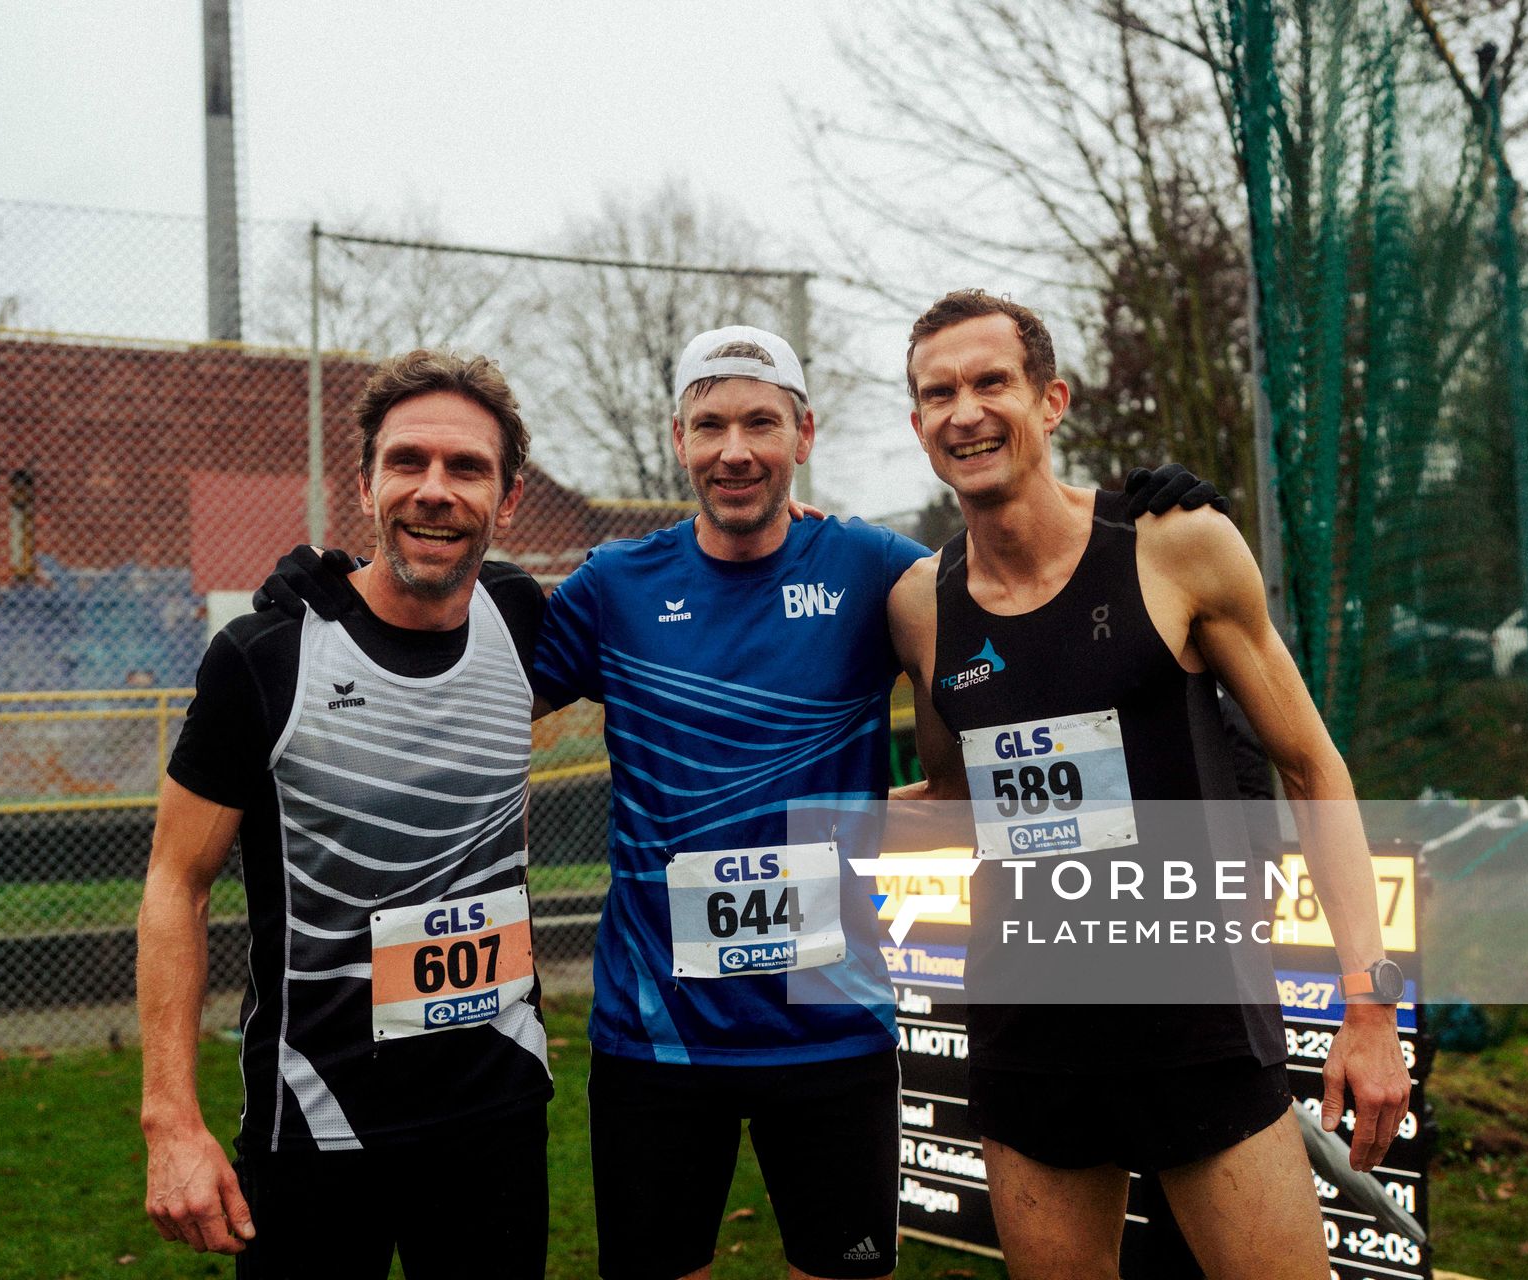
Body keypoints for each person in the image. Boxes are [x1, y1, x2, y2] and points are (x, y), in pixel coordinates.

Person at [257, 328, 1221, 1280]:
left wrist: (1129, 516)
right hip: (656, 1039)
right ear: (679, 440)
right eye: (710, 423)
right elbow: (456, 670)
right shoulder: (612, 588)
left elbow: (1018, 574)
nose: (735, 449)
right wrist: (340, 598)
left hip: (834, 1025)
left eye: (761, 422)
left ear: (804, 437)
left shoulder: (879, 571)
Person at [884, 289, 1411, 1280]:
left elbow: (1313, 764)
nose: (966, 411)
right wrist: (780, 825)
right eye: (939, 392)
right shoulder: (923, 605)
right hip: (1027, 1034)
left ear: (1051, 400)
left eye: (991, 381)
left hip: (1196, 1021)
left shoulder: (1173, 546)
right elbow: (954, 808)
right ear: (918, 425)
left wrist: (1370, 1005)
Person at [137, 349, 553, 1277]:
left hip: (499, 1120)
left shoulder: (524, 618)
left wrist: (788, 523)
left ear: (509, 498)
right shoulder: (266, 656)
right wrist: (170, 1121)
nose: (434, 490)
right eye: (407, 462)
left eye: (466, 468)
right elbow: (176, 883)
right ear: (365, 485)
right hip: (318, 1127)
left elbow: (697, 581)